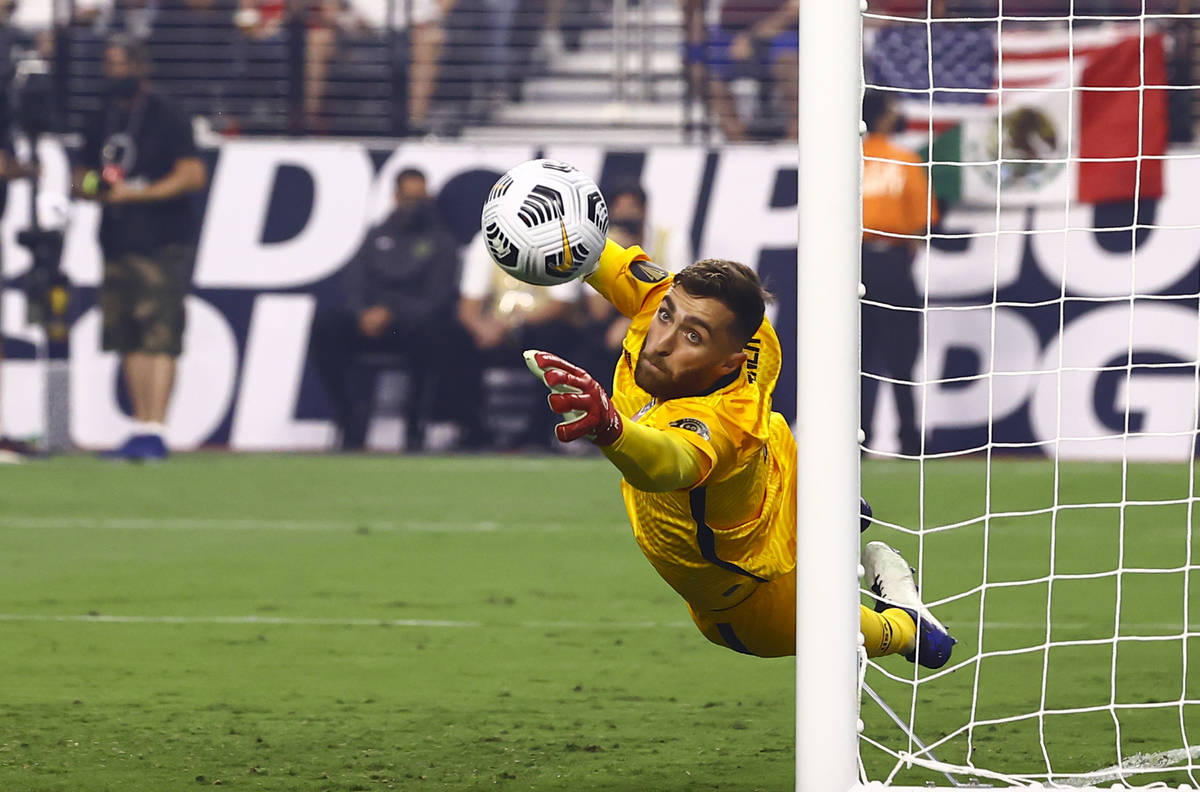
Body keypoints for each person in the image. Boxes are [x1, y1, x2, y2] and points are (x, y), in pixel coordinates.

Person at [522, 238, 955, 664]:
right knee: (775, 438)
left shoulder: (725, 422)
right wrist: (571, 238)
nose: (662, 341)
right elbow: (615, 266)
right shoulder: (700, 313)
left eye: (693, 336)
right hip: (776, 475)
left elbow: (668, 463)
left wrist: (610, 428)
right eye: (666, 317)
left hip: (748, 598)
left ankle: (907, 623)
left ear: (730, 362)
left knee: (907, 643)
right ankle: (824, 511)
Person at [73, 35, 208, 462]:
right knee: (127, 335)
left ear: (139, 66)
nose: (113, 73)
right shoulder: (101, 117)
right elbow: (81, 177)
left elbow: (191, 175)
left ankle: (156, 428)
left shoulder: (166, 114)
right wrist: (101, 189)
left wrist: (136, 195)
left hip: (162, 241)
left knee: (160, 335)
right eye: (108, 64)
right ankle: (139, 425)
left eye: (119, 64)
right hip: (115, 241)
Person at [309, 168, 483, 451]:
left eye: (420, 198)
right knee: (326, 327)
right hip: (368, 320)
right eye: (408, 197)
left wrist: (392, 311)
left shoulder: (441, 242)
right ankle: (349, 416)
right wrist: (362, 312)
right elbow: (354, 282)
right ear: (395, 197)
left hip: (411, 324)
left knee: (434, 337)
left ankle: (414, 428)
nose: (414, 205)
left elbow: (437, 297)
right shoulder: (376, 236)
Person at [860, 89, 939, 457]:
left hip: (852, 264)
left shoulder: (845, 160)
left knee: (856, 359)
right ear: (885, 116)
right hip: (893, 264)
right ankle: (909, 441)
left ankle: (859, 441)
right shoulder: (904, 159)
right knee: (902, 360)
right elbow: (925, 222)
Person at [457, 230, 582, 449]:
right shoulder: (485, 240)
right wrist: (481, 328)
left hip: (536, 327)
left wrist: (512, 324)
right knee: (456, 339)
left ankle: (538, 434)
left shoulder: (562, 241)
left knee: (553, 340)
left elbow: (560, 305)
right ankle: (473, 431)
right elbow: (468, 305)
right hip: (494, 330)